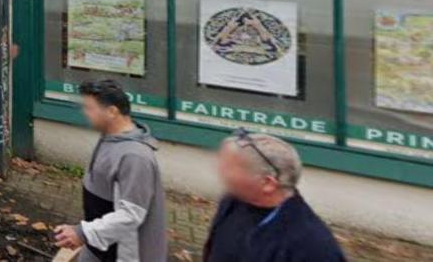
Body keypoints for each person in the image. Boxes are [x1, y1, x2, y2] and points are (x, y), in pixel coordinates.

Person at [53, 79, 167, 262]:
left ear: (112, 111)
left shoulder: (135, 157)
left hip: (123, 254)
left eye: (90, 108)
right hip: (99, 247)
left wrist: (83, 232)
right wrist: (85, 233)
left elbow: (130, 215)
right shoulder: (109, 137)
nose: (85, 113)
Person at [202, 130, 346, 261]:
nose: (219, 170)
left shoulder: (313, 247)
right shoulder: (232, 201)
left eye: (230, 167)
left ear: (267, 183)